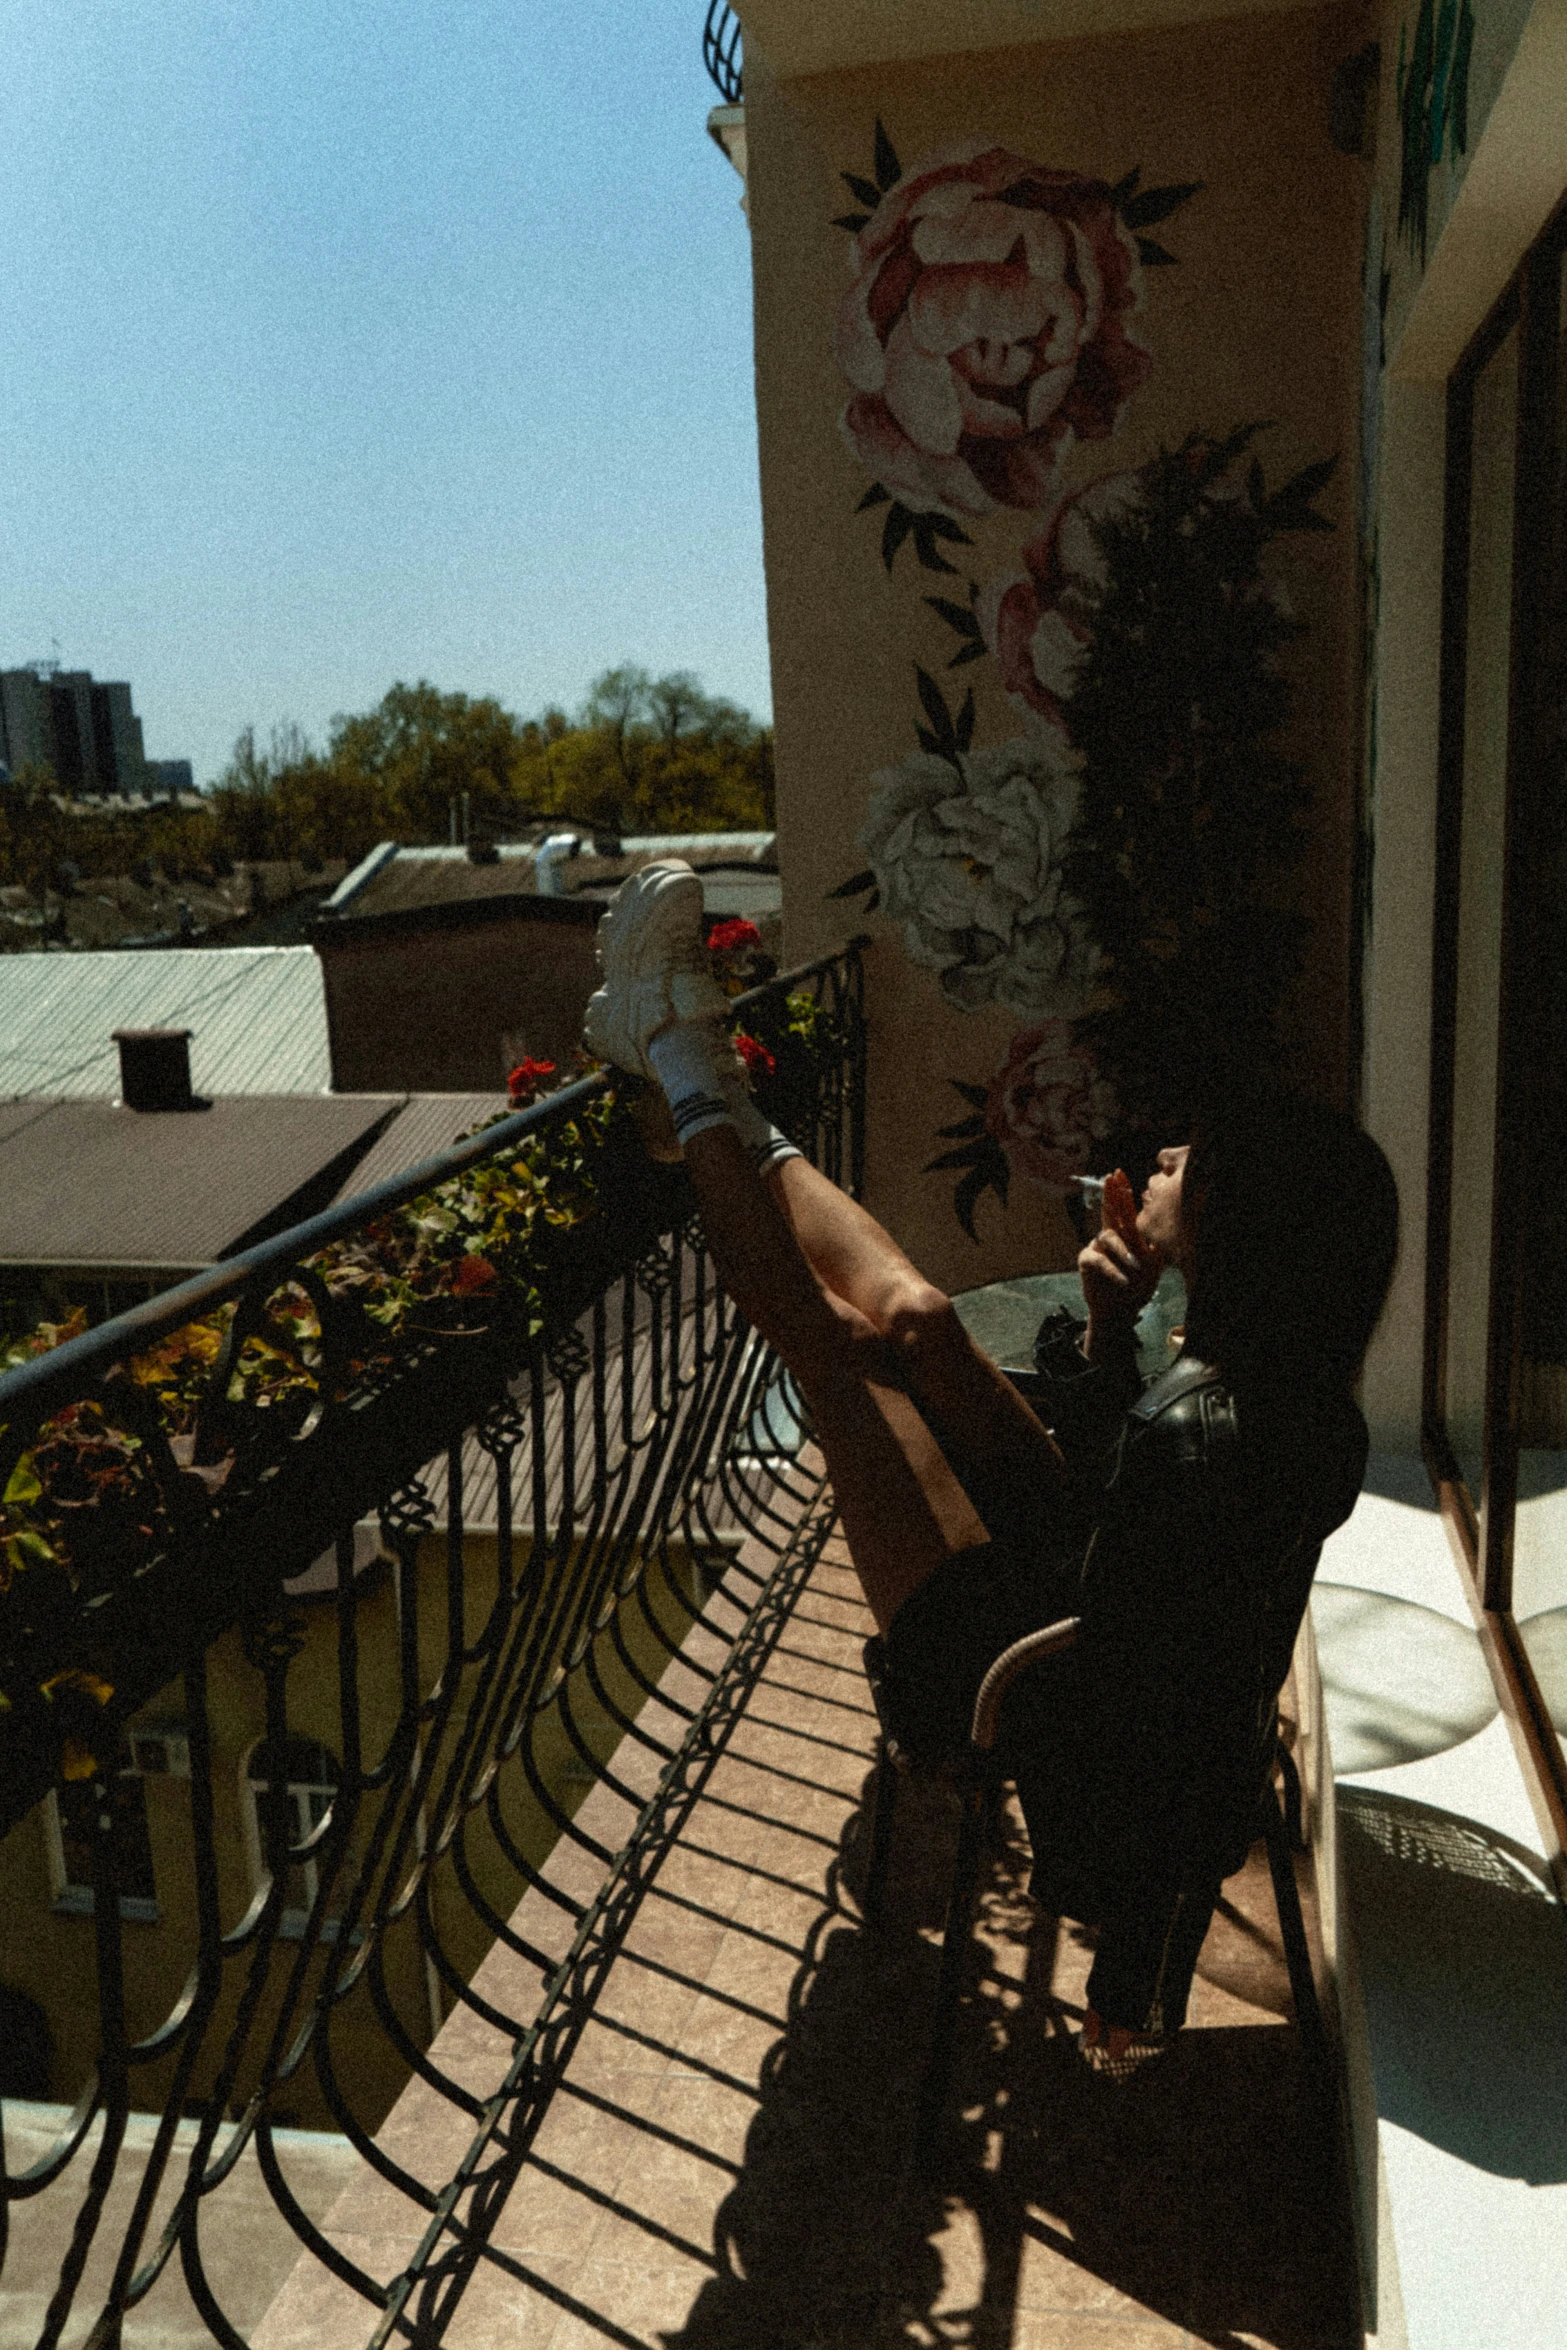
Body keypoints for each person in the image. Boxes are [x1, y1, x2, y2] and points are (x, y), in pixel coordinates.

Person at [583, 861, 1399, 2079]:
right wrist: (1117, 1332)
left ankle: (676, 1055)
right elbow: (1137, 1518)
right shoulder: (1282, 1390)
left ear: (1241, 1229)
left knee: (831, 1351)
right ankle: (710, 1078)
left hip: (1015, 1670)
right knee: (916, 1319)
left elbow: (1141, 1678)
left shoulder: (1202, 1433)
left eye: (1191, 1164)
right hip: (1078, 1577)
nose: (1164, 1155)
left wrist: (1128, 1978)